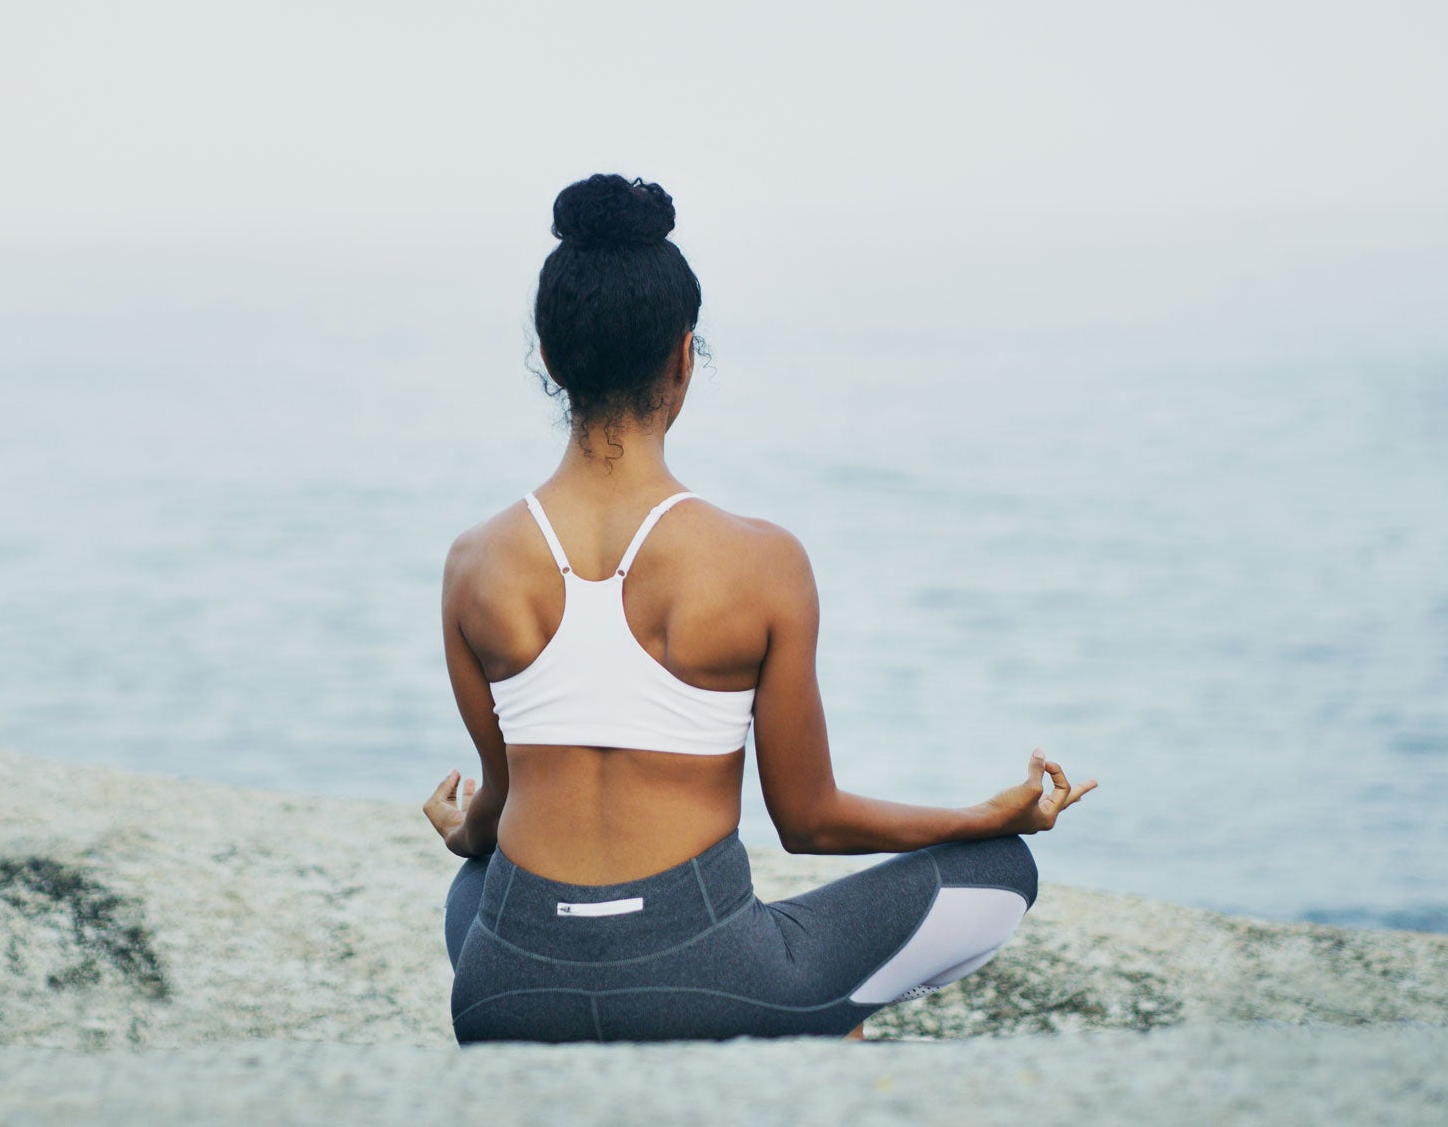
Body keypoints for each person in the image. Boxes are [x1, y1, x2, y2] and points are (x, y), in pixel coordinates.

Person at [421, 173, 1098, 1045]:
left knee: (478, 885)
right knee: (1002, 871)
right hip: (702, 983)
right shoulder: (761, 561)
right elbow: (808, 820)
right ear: (683, 356)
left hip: (505, 996)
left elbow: (505, 802)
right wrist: (987, 816)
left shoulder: (472, 563)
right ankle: (817, 1029)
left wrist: (459, 828)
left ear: (549, 359)